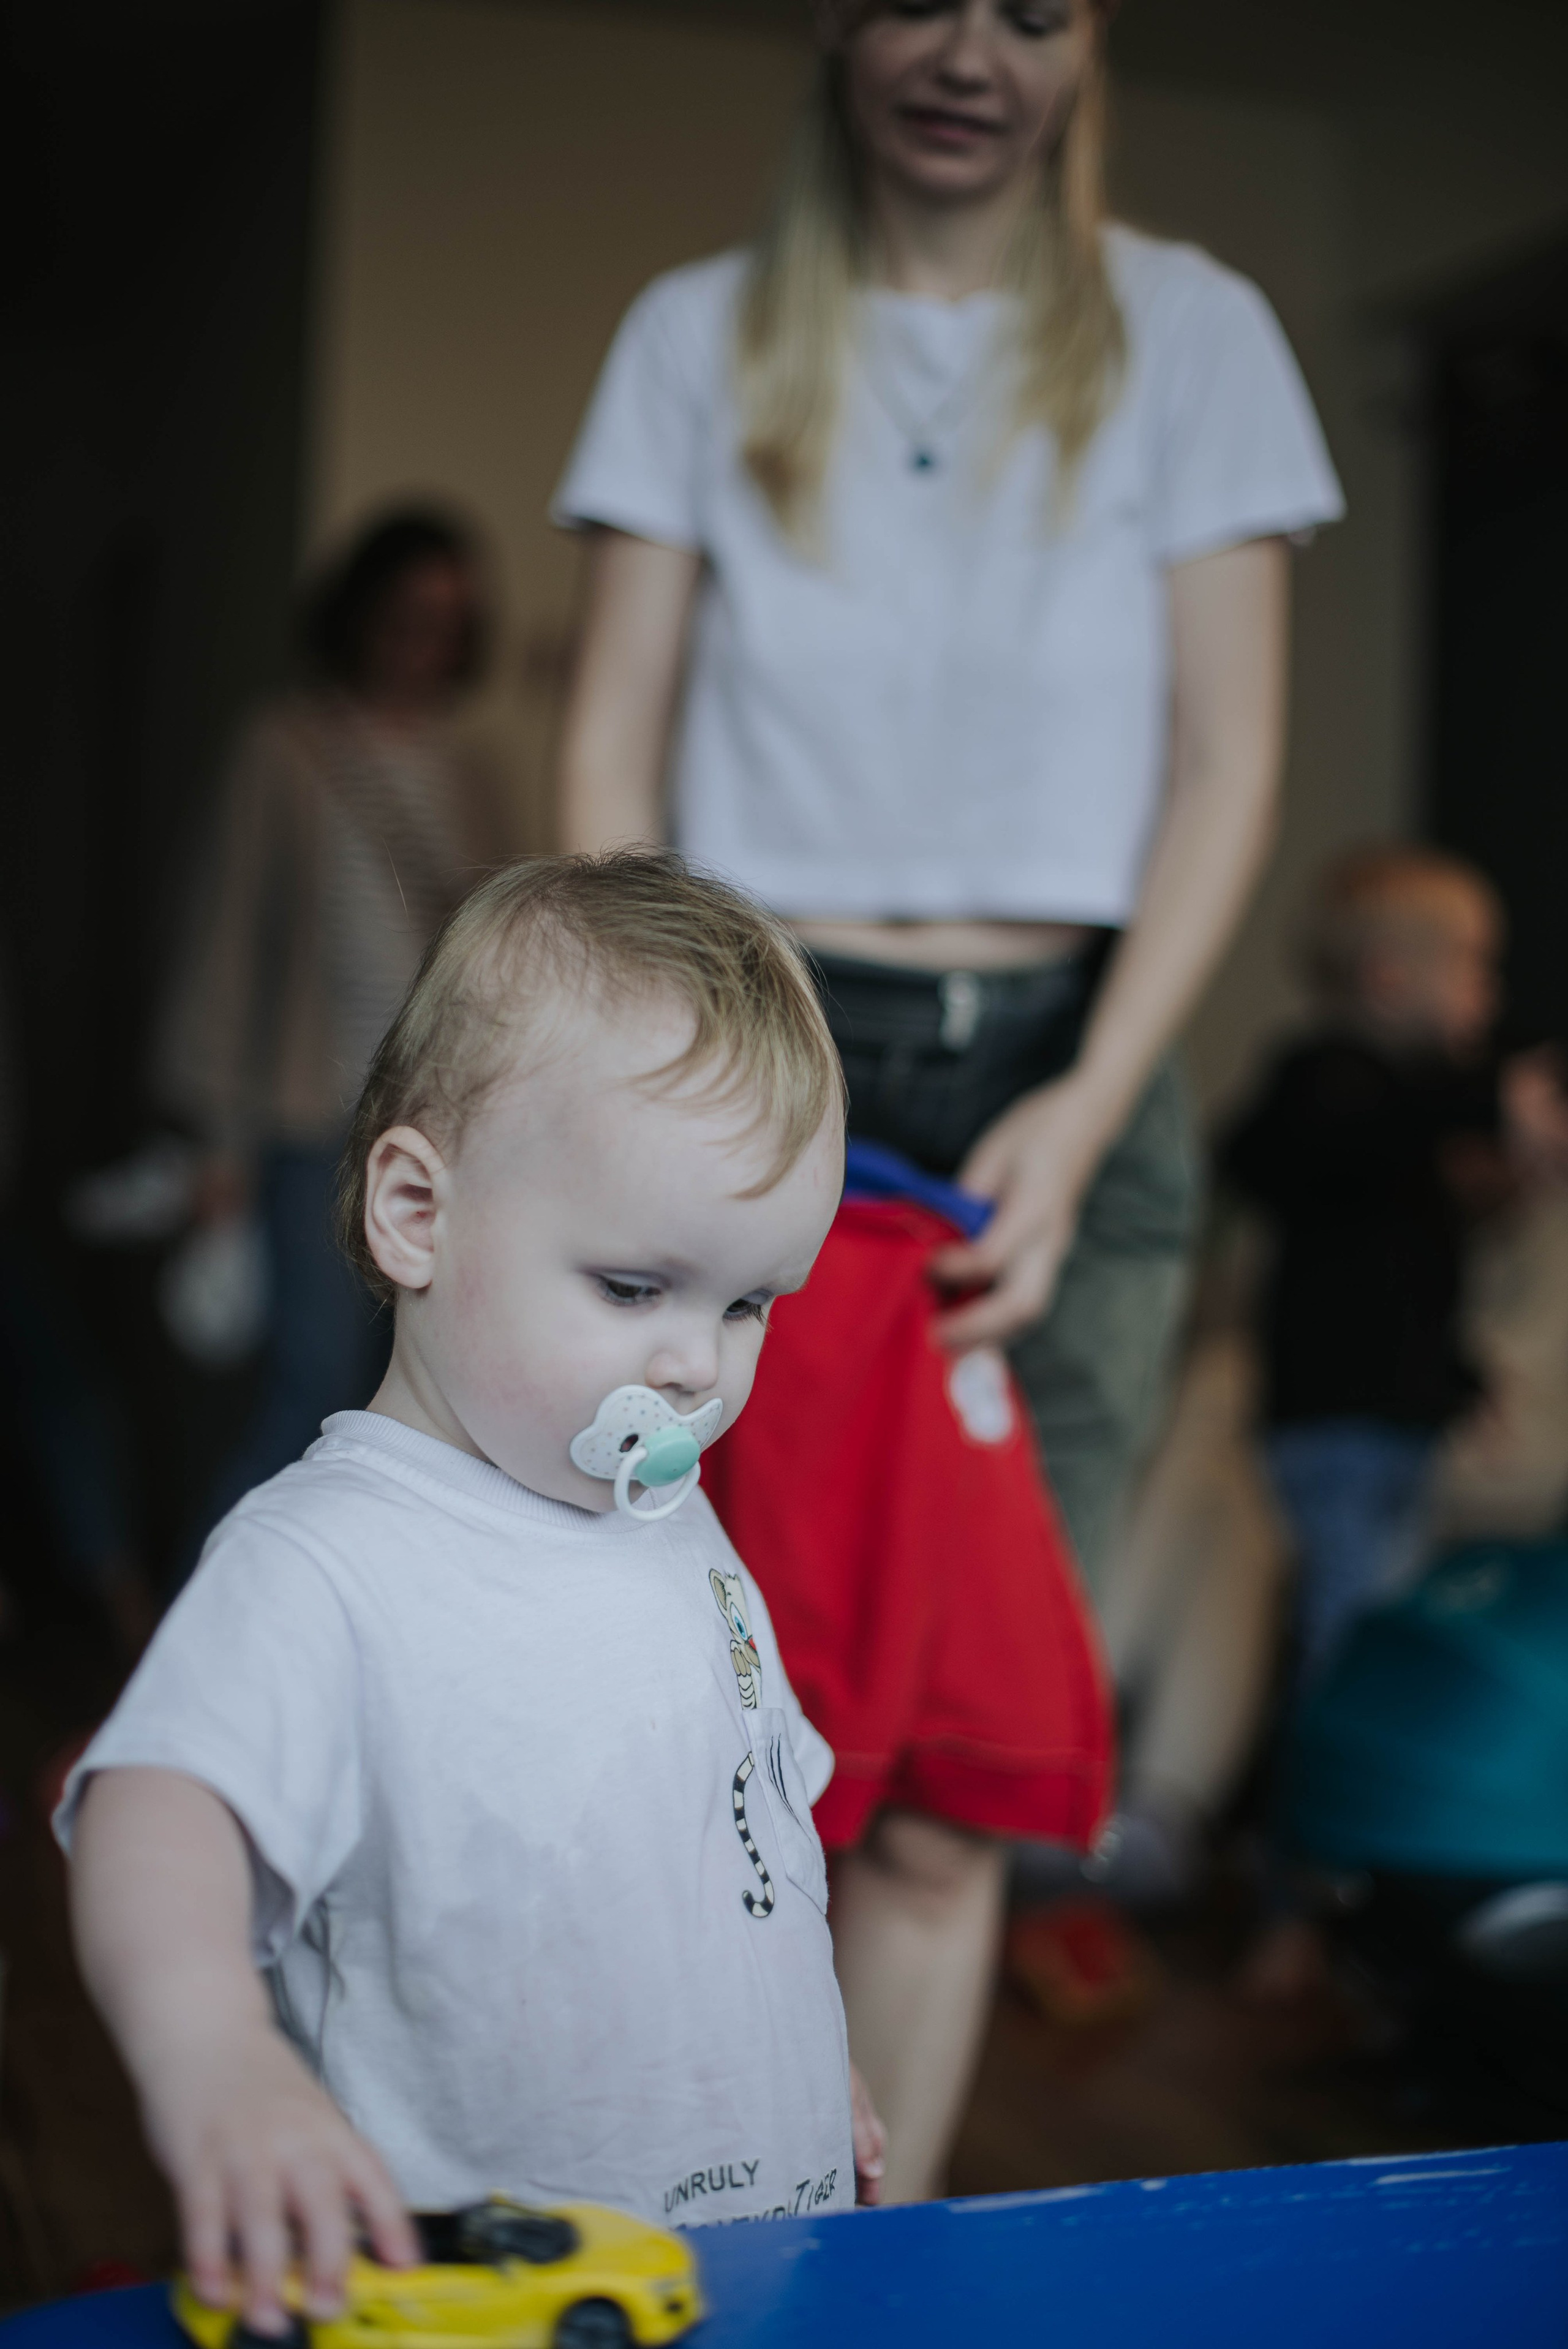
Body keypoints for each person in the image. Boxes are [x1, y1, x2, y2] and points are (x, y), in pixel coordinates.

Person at [552, 0, 1341, 2196]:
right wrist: (697, 1057)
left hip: (1067, 1066)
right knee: (690, 1733)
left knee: (945, 1780)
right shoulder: (693, 335)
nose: (969, 48)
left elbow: (1234, 763)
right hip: (742, 1048)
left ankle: (849, 2277)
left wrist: (1084, 1112)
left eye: (1036, 7)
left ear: (1094, 45)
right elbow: (610, 747)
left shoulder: (1196, 334)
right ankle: (661, 2235)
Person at [59, 852, 884, 2335]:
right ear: (417, 1216)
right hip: (481, 2305)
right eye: (636, 1288)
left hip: (754, 2271)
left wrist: (808, 2064)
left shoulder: (677, 1527)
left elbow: (743, 1840)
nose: (698, 1363)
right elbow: (157, 1805)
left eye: (747, 1301)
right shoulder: (332, 1562)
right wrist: (213, 2055)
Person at [160, 507, 516, 1543]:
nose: (424, 641)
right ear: (359, 615)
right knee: (304, 1393)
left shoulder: (474, 768)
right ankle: (206, 1639)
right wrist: (219, 1141)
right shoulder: (287, 748)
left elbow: (506, 952)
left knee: (408, 1410)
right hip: (311, 1120)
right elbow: (227, 941)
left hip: (443, 1131)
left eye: (448, 622)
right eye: (406, 614)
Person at [1223, 846, 1517, 1691]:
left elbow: (1420, 1286)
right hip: (1336, 1422)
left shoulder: (1415, 1126)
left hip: (1400, 1421)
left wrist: (1463, 1377)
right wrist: (1492, 1106)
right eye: (1472, 966)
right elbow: (1288, 1143)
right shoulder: (1327, 1082)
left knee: (1381, 1605)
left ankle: (1354, 1761)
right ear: (1390, 978)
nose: (1487, 991)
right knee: (1347, 1621)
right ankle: (1332, 1791)